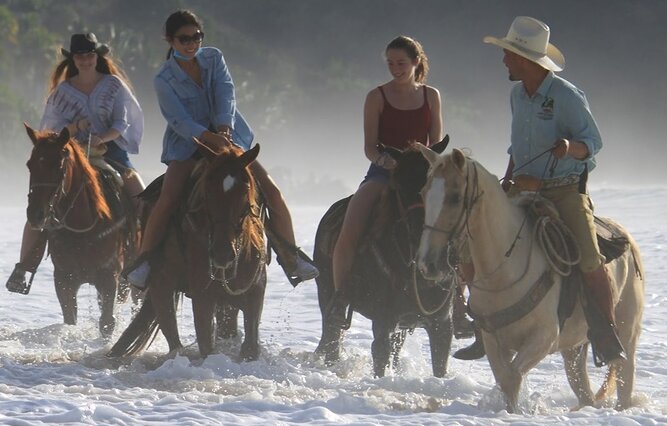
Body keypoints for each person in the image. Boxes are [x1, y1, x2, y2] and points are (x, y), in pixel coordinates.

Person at [455, 16, 625, 366]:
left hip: (564, 191)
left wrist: (570, 147)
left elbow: (594, 142)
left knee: (590, 259)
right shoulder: (518, 95)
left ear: (525, 60)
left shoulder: (566, 96)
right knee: (474, 247)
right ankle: (482, 327)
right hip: (522, 187)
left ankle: (605, 334)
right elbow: (517, 148)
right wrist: (506, 180)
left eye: (508, 55)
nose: (503, 61)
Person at [125, 9, 318, 289]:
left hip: (229, 137)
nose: (192, 43)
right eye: (184, 39)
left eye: (197, 37)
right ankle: (144, 263)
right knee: (167, 199)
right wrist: (209, 138)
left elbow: (226, 91)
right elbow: (178, 119)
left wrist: (224, 128)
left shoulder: (214, 58)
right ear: (169, 40)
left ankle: (291, 256)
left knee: (272, 192)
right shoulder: (163, 79)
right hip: (188, 144)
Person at [6, 32, 145, 295]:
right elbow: (51, 130)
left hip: (110, 151)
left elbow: (122, 123)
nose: (86, 60)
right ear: (74, 59)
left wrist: (101, 139)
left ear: (97, 56)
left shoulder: (114, 85)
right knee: (41, 203)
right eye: (80, 56)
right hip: (71, 153)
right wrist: (76, 128)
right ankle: (24, 268)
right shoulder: (62, 92)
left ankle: (140, 263)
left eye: (90, 55)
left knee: (142, 198)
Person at [327, 36, 443, 327]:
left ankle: (460, 301)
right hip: (383, 173)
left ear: (416, 62)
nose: (395, 68)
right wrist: (387, 163)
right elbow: (370, 146)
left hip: (421, 176)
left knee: (457, 224)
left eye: (401, 63)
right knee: (349, 230)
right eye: (390, 63)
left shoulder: (432, 96)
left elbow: (437, 143)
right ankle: (340, 298)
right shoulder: (376, 96)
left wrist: (424, 166)